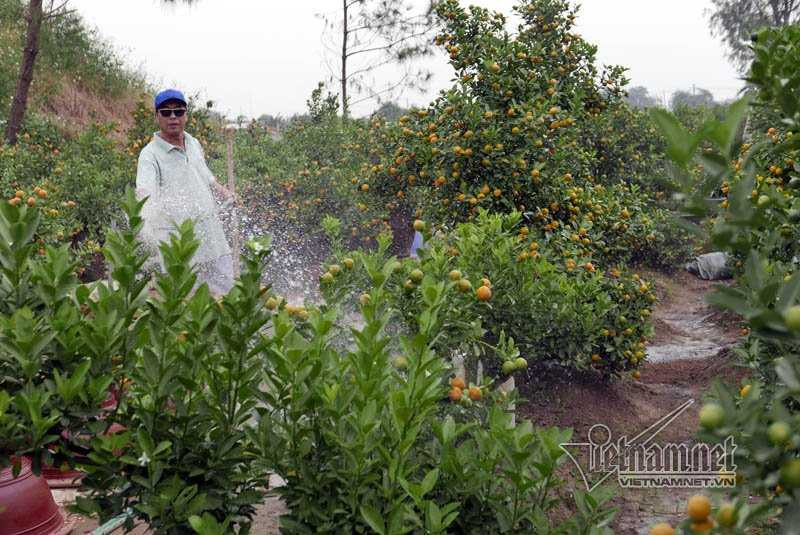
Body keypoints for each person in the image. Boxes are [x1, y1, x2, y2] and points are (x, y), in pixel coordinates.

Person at [135, 89, 237, 295]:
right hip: (179, 246)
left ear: (186, 115)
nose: (173, 117)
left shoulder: (193, 143)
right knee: (185, 301)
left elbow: (204, 174)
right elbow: (144, 194)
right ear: (157, 116)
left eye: (179, 111)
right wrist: (145, 227)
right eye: (166, 112)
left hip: (212, 236)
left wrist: (222, 190)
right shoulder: (149, 155)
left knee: (228, 296)